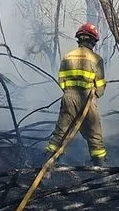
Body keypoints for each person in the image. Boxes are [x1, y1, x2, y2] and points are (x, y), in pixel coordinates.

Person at [44, 23, 107, 165]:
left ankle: (48, 163)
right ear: (93, 41)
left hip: (68, 97)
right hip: (88, 100)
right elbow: (100, 88)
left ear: (79, 39)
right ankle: (100, 166)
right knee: (94, 134)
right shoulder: (96, 59)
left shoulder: (67, 56)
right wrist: (93, 95)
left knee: (61, 132)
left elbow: (61, 81)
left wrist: (69, 93)